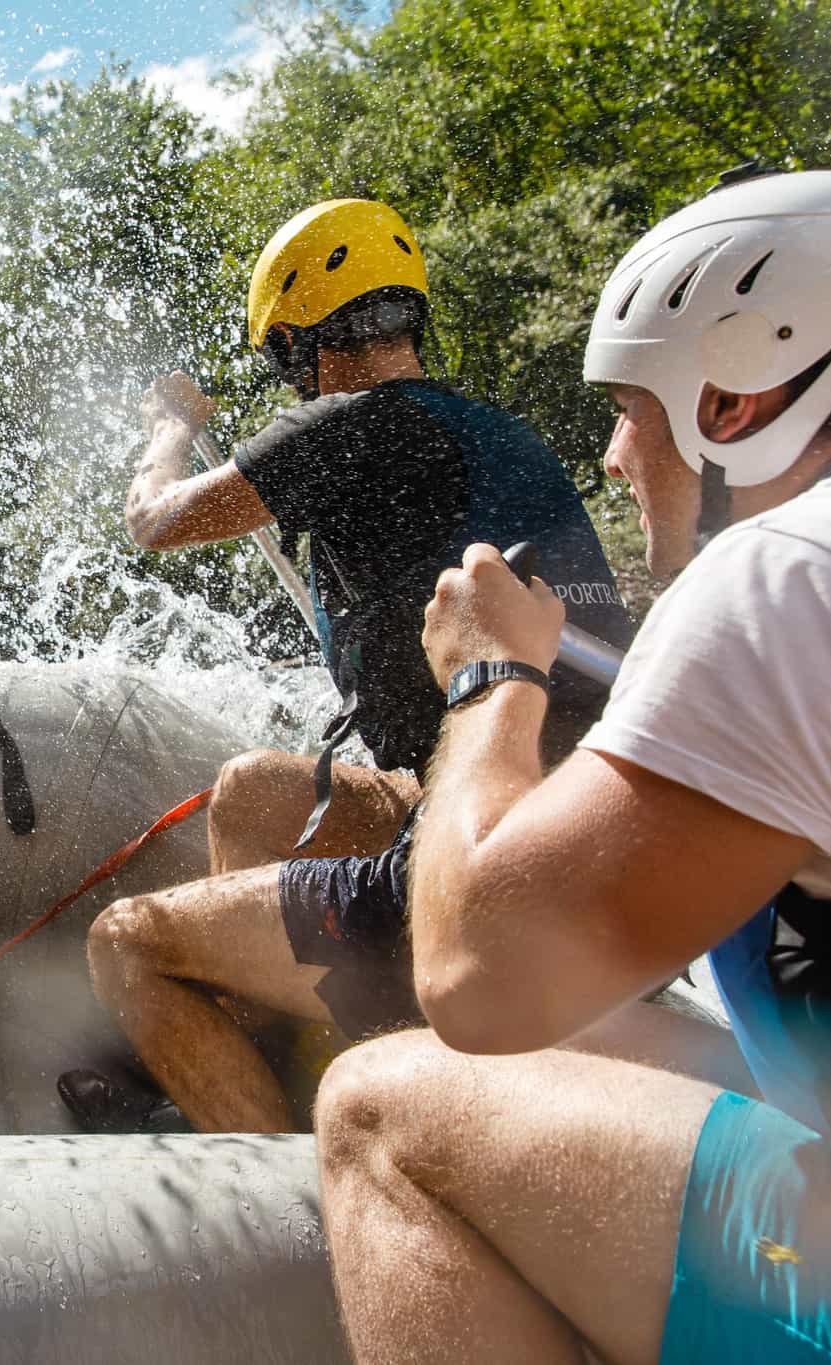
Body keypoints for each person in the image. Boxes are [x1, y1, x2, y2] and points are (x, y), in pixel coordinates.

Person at [315, 167, 831, 1364]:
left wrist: (487, 680)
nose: (616, 456)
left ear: (736, 395)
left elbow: (480, 976)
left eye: (632, 406)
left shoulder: (798, 572)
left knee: (375, 1105)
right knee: (594, 1036)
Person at [64, 198, 631, 1133]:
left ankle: (277, 1165)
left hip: (497, 848)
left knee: (124, 946)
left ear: (297, 345)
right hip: (565, 809)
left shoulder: (348, 424)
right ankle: (250, 1070)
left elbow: (153, 521)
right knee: (253, 792)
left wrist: (170, 426)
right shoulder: (494, 430)